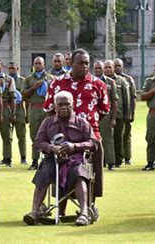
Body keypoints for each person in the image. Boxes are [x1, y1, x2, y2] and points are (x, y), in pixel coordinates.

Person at [43, 48, 110, 204]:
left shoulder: (98, 84)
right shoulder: (57, 83)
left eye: (87, 63)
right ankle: (61, 209)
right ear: (71, 63)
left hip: (90, 138)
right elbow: (48, 108)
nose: (85, 66)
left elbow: (104, 110)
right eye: (81, 63)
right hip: (62, 139)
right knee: (62, 174)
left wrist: (85, 125)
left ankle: (88, 208)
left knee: (91, 175)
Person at [23, 91, 97, 226]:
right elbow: (38, 142)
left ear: (72, 105)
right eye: (60, 104)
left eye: (67, 104)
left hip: (75, 159)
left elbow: (93, 143)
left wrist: (74, 146)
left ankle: (84, 213)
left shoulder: (82, 122)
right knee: (44, 172)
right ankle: (34, 212)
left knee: (79, 174)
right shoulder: (48, 122)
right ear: (54, 107)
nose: (63, 107)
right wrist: (52, 148)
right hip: (53, 159)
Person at [22, 56, 54, 170]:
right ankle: (35, 161)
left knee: (49, 134)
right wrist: (34, 87)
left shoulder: (51, 78)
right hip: (34, 109)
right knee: (34, 135)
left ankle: (49, 159)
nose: (37, 65)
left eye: (40, 63)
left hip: (47, 110)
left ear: (44, 65)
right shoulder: (29, 79)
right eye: (35, 63)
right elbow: (24, 95)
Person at [104, 60, 129, 168]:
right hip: (104, 115)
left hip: (118, 114)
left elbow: (126, 98)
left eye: (110, 67)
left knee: (118, 138)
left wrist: (127, 114)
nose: (107, 69)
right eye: (106, 67)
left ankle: (118, 159)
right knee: (106, 138)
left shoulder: (121, 80)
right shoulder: (100, 81)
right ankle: (106, 159)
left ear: (113, 68)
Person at [93, 60, 118, 170]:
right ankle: (98, 162)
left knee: (108, 139)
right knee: (93, 139)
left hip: (106, 114)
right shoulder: (90, 81)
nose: (98, 70)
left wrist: (113, 118)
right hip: (93, 114)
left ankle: (111, 162)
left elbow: (114, 101)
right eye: (96, 68)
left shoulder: (110, 82)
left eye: (100, 68)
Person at [0, 57, 16, 167]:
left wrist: (13, 113)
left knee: (7, 135)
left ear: (2, 66)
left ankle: (7, 158)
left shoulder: (9, 79)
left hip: (5, 107)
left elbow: (13, 97)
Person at [114, 58, 136, 166]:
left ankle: (127, 157)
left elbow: (133, 97)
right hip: (116, 113)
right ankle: (117, 157)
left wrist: (131, 113)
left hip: (125, 112)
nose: (117, 67)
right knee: (116, 136)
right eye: (116, 65)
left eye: (119, 66)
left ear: (122, 67)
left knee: (126, 135)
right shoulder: (109, 79)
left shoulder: (128, 79)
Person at [8, 61, 27, 165]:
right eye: (10, 68)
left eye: (13, 68)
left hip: (20, 108)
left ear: (18, 68)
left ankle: (23, 157)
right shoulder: (6, 80)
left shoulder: (22, 81)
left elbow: (26, 97)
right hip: (9, 107)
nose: (11, 70)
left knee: (22, 135)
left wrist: (27, 113)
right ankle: (8, 158)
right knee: (8, 135)